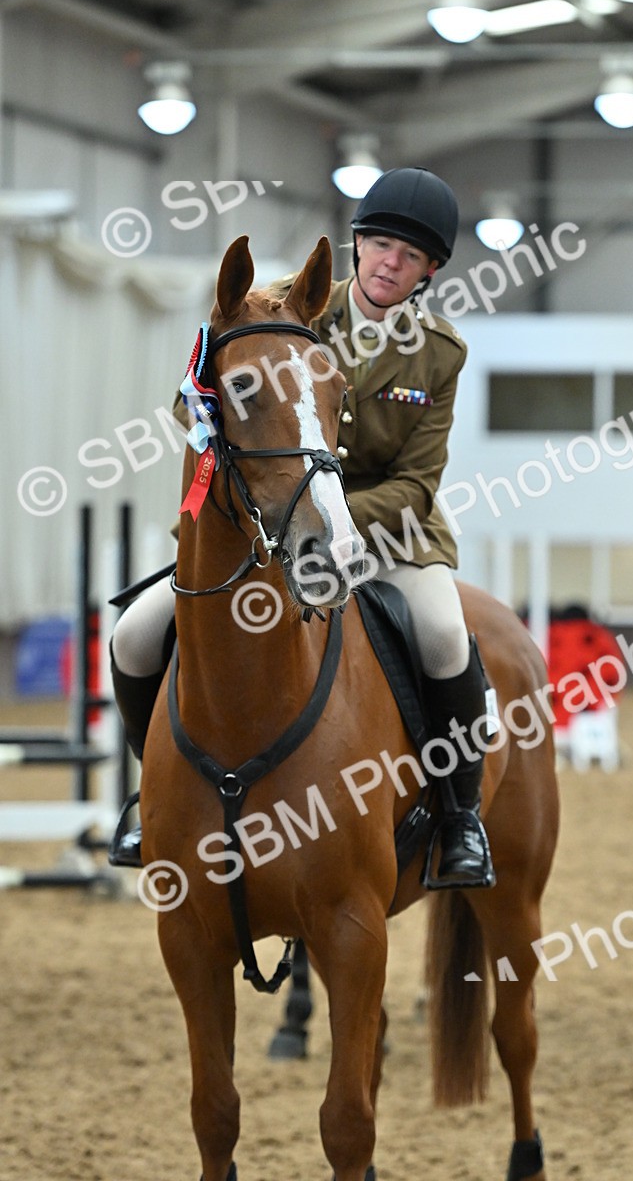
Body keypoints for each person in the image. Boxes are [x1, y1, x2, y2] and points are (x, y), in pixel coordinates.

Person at [110, 166, 495, 889]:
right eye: (379, 243)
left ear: (429, 271)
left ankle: (459, 812)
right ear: (356, 248)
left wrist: (340, 520)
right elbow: (193, 408)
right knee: (134, 634)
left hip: (389, 537)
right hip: (267, 530)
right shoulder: (285, 306)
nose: (390, 262)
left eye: (409, 255)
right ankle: (150, 796)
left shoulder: (439, 353)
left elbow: (416, 482)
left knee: (445, 637)